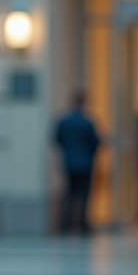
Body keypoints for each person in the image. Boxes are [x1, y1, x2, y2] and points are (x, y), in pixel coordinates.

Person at [55, 92, 101, 234]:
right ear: (83, 103)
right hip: (85, 163)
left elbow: (57, 139)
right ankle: (82, 225)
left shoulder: (63, 121)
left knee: (69, 193)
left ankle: (66, 224)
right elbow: (95, 142)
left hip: (69, 162)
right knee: (84, 194)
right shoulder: (87, 122)